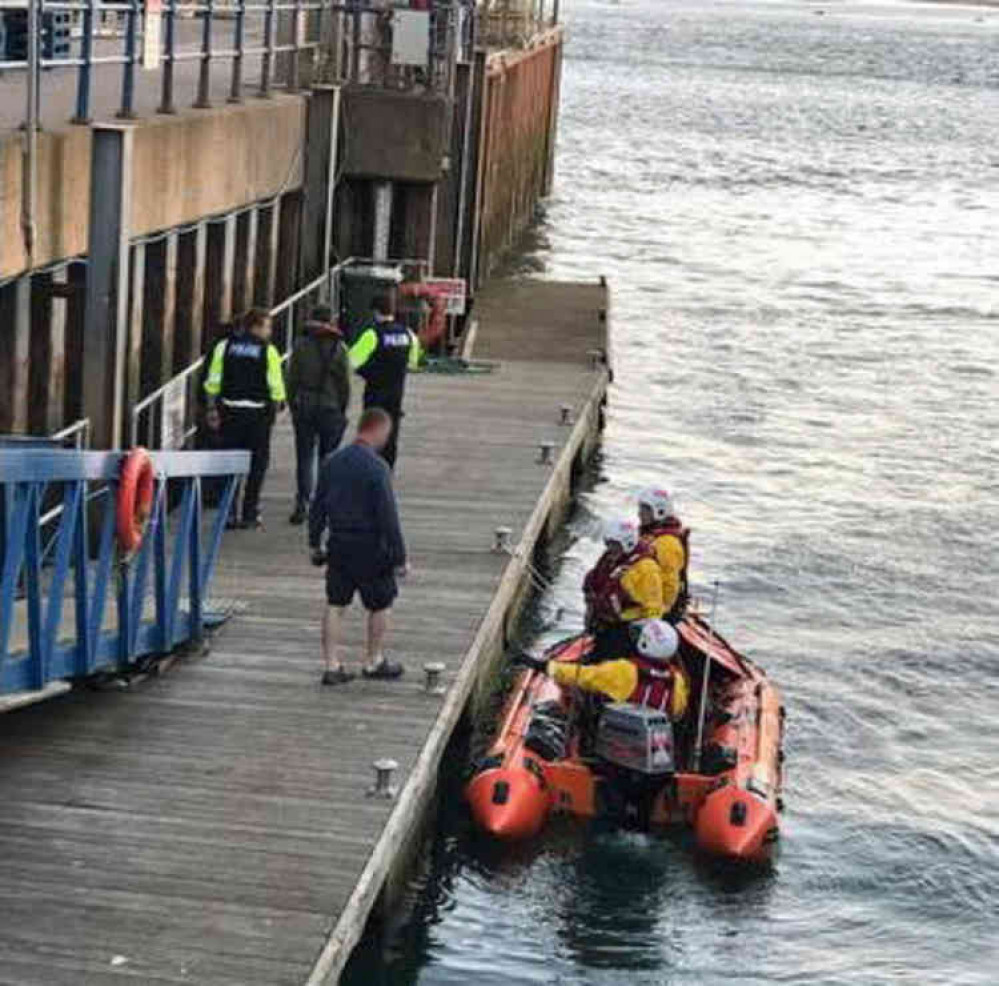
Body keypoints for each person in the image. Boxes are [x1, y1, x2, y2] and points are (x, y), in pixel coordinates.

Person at [308, 407, 408, 685]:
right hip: (371, 547)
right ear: (378, 430)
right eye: (386, 435)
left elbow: (318, 506)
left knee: (335, 603)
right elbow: (388, 516)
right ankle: (373, 661)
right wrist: (399, 557)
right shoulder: (377, 468)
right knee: (381, 603)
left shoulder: (332, 462)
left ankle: (331, 665)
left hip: (339, 542)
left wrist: (315, 542)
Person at [204, 309, 286, 528]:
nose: (269, 331)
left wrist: (212, 409)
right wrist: (276, 408)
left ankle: (229, 512)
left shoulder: (225, 347)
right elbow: (276, 387)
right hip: (257, 415)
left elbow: (213, 380)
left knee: (229, 463)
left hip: (230, 412)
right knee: (257, 464)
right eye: (267, 326)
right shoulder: (268, 351)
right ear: (256, 326)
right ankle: (250, 511)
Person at [517, 619, 691, 720]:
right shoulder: (676, 680)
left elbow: (582, 676)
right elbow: (678, 711)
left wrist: (542, 665)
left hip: (614, 737)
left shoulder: (623, 671)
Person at [286, 306, 351, 525]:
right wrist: (342, 409)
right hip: (331, 408)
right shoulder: (339, 347)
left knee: (304, 457)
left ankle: (302, 504)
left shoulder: (301, 345)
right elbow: (345, 384)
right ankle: (325, 506)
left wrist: (291, 403)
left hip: (305, 406)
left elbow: (292, 379)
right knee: (328, 459)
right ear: (330, 321)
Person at [347, 294, 421, 470]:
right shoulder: (408, 334)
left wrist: (365, 371)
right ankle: (388, 469)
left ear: (376, 312)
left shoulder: (372, 334)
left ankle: (369, 467)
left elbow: (351, 361)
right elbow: (413, 362)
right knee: (391, 433)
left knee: (371, 431)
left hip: (375, 393)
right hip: (396, 394)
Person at [583, 517, 665, 660]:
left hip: (627, 630)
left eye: (614, 545)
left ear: (627, 543)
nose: (610, 549)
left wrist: (640, 628)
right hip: (606, 624)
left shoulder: (646, 569)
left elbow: (654, 609)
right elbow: (595, 584)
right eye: (608, 544)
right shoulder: (611, 559)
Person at [637, 488, 690, 623]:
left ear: (659, 511)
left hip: (660, 612)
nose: (639, 514)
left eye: (645, 510)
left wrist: (654, 616)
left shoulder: (666, 545)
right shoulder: (651, 535)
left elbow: (669, 586)